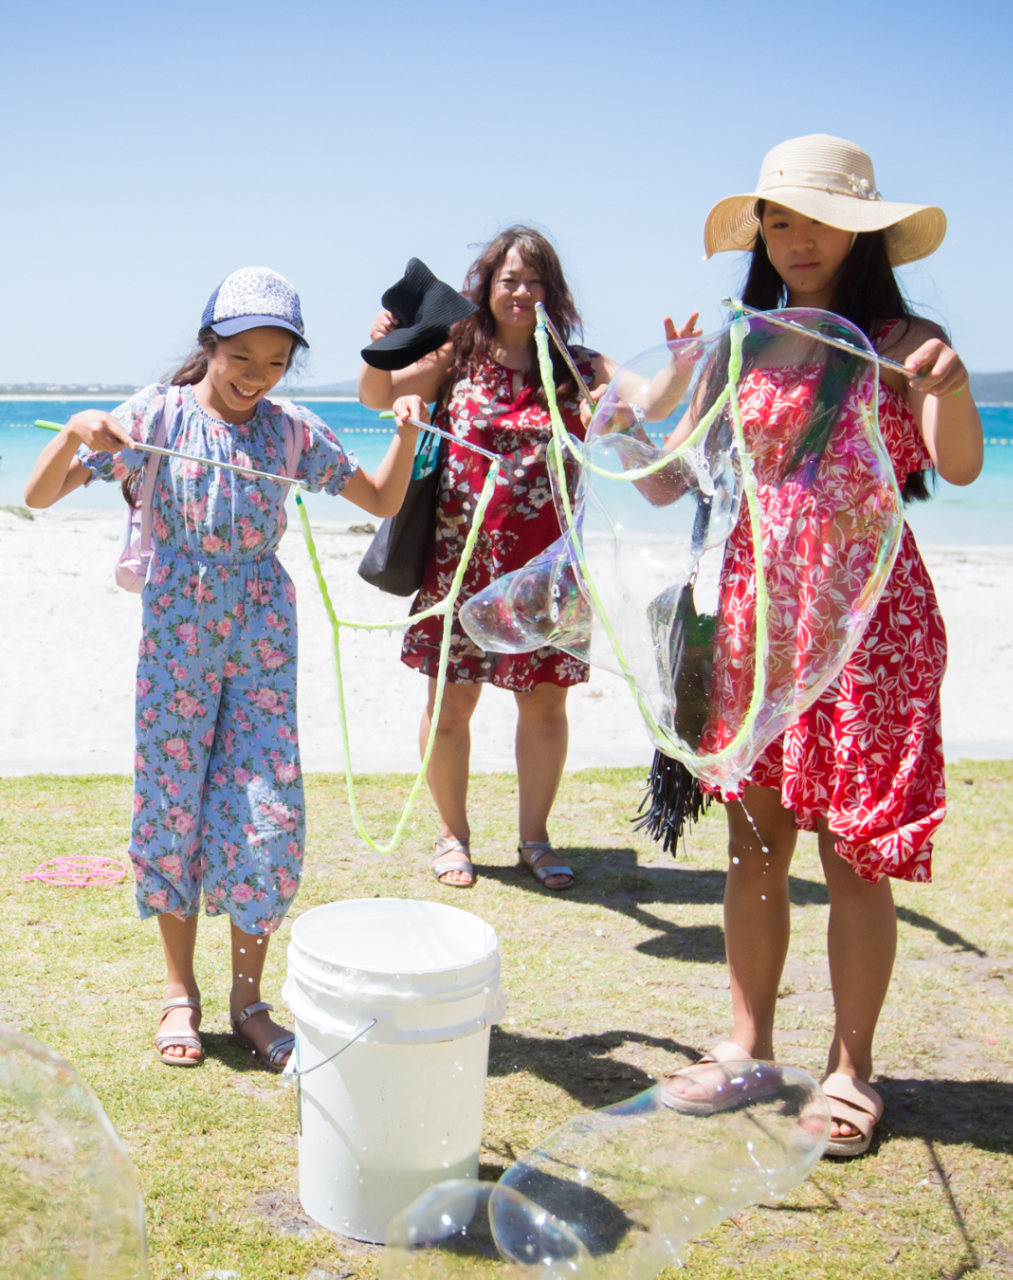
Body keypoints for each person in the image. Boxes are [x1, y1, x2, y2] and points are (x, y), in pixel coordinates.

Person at [660, 136, 983, 1154]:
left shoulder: (904, 335)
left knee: (853, 857)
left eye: (819, 219)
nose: (797, 239)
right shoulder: (741, 340)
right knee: (752, 840)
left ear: (865, 230)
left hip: (871, 625)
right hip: (759, 617)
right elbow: (677, 479)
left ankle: (850, 1068)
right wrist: (659, 390)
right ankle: (748, 1046)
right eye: (779, 219)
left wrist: (954, 382)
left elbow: (959, 466)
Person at [25, 267, 420, 1069]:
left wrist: (408, 430)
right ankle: (181, 995)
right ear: (211, 345)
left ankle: (248, 1001)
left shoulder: (293, 432)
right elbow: (39, 495)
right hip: (178, 629)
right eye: (243, 355)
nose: (257, 376)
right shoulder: (155, 416)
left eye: (276, 361)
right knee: (171, 806)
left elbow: (379, 500)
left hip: (265, 630)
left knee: (265, 809)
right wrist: (76, 432)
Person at [358, 226, 620, 891]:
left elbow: (647, 398)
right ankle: (453, 835)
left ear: (552, 292)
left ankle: (535, 838)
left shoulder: (579, 367)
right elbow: (378, 394)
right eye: (509, 280)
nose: (522, 291)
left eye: (535, 281)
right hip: (460, 568)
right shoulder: (459, 354)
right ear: (487, 288)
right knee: (450, 709)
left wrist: (673, 366)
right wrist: (380, 347)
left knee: (545, 709)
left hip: (549, 574)